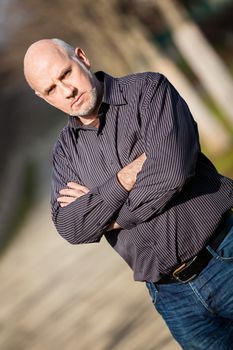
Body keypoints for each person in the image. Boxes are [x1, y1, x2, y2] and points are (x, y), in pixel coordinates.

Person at [24, 38, 233, 349]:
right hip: (172, 298)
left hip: (224, 256)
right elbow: (71, 227)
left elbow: (171, 171)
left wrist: (107, 216)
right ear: (43, 97)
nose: (67, 91)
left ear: (82, 57)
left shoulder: (148, 92)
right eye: (51, 89)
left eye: (66, 73)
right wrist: (122, 180)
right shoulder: (65, 154)